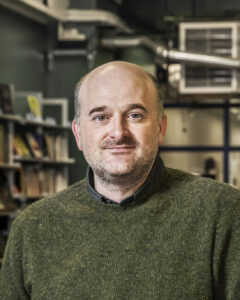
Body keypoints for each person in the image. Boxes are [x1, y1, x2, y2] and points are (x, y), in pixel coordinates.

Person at [0, 61, 240, 299]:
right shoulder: (32, 228)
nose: (118, 132)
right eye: (100, 117)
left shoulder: (222, 212)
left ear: (160, 129)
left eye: (135, 115)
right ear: (78, 134)